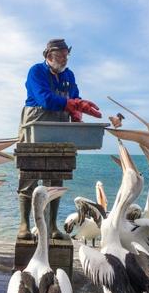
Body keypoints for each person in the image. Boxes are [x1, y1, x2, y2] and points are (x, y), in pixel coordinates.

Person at [16, 38, 102, 239]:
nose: (65, 59)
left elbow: (75, 97)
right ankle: (23, 225)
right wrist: (70, 103)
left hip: (60, 128)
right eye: (61, 55)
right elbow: (44, 98)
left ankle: (52, 225)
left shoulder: (69, 75)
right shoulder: (36, 71)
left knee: (56, 175)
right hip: (36, 124)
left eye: (66, 55)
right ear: (49, 55)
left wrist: (78, 113)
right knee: (28, 174)